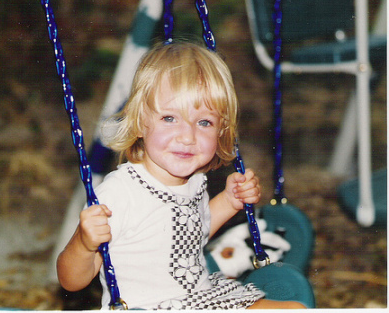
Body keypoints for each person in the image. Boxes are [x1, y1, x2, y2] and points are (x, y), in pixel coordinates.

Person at [56, 41, 306, 309]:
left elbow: (189, 235)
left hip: (200, 298)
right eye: (169, 118)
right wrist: (84, 243)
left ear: (221, 131)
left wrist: (228, 201)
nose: (188, 137)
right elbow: (71, 281)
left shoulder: (195, 181)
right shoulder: (119, 192)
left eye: (204, 122)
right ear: (140, 122)